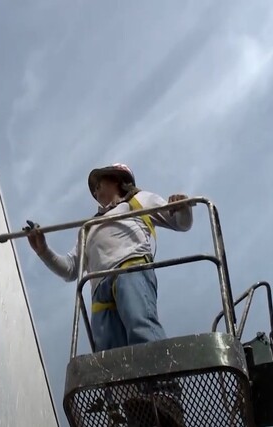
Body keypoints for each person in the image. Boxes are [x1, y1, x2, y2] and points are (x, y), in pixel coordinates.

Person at [24, 163, 193, 426]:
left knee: (140, 326)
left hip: (131, 268)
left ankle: (164, 395)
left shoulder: (139, 201)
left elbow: (180, 223)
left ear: (116, 180)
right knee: (110, 356)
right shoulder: (89, 227)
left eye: (98, 181)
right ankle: (134, 413)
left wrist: (182, 207)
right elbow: (70, 269)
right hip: (98, 287)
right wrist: (43, 250)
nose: (94, 188)